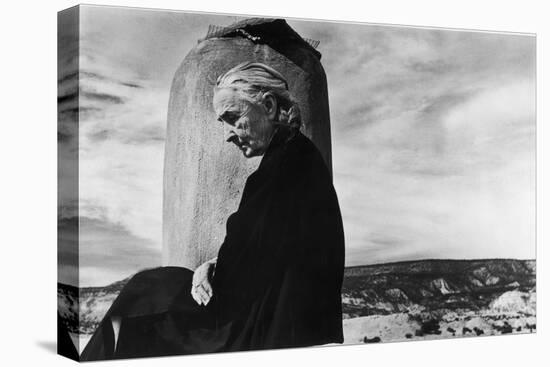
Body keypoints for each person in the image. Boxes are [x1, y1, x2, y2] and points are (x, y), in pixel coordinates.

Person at [80, 61, 345, 361]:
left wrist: (211, 269)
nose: (229, 134)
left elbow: (239, 274)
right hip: (279, 323)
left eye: (233, 117)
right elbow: (262, 251)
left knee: (142, 295)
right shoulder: (298, 158)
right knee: (153, 290)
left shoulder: (282, 171)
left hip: (263, 332)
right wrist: (217, 263)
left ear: (269, 106)